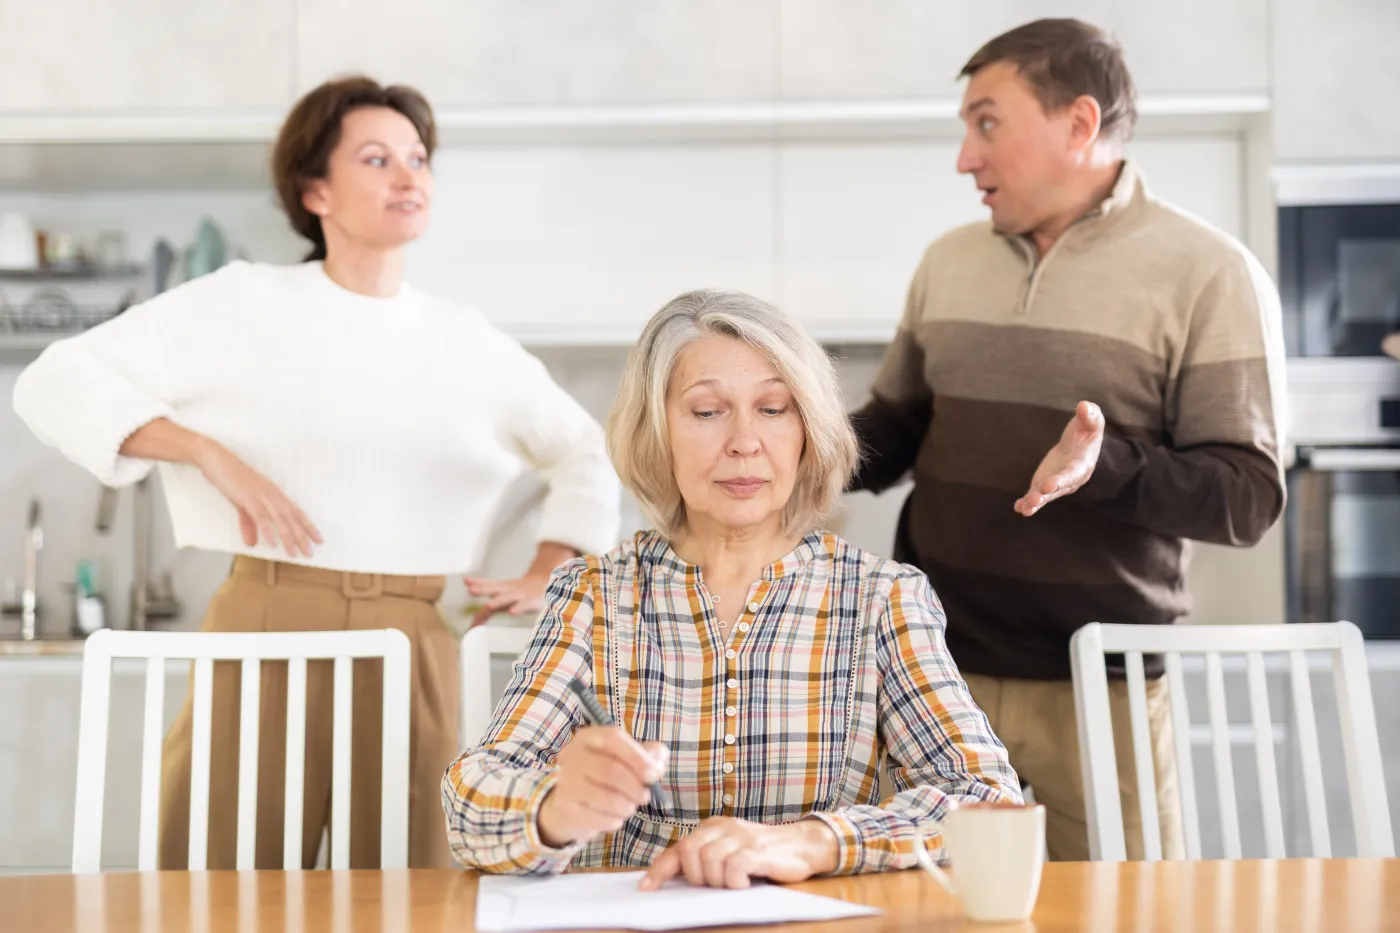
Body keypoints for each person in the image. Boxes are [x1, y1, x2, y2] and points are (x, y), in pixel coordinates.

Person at [12, 76, 620, 869]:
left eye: (419, 158)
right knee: (219, 880)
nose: (409, 176)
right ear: (315, 190)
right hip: (265, 617)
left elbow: (585, 450)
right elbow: (53, 379)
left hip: (418, 633)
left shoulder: (465, 339)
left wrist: (554, 562)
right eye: (378, 158)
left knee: (418, 886)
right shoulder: (241, 303)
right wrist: (205, 450)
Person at [849, 18, 1286, 861]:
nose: (965, 158)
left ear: (1079, 124)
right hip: (939, 678)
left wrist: (1105, 466)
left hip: (1101, 692)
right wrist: (790, 436)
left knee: (1130, 915)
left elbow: (1248, 495)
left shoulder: (1207, 271)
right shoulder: (948, 260)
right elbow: (895, 431)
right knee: (927, 913)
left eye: (987, 123)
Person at [442, 289, 1020, 887]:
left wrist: (812, 843)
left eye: (773, 409)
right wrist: (552, 809)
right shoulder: (592, 594)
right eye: (706, 411)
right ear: (656, 431)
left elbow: (985, 797)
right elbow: (470, 804)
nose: (745, 441)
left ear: (808, 432)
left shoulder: (882, 598)